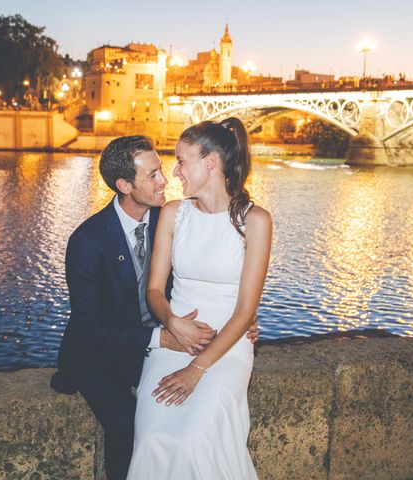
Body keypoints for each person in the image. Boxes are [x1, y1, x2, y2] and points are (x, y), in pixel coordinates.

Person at [51, 136, 259, 480]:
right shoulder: (88, 241)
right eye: (152, 176)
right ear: (125, 185)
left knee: (193, 418)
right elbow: (90, 326)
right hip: (99, 353)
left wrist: (247, 317)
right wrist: (160, 339)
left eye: (162, 169)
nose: (165, 180)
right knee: (127, 425)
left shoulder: (173, 218)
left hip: (161, 345)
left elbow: (208, 274)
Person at [127, 118, 272, 479]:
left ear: (211, 163)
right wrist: (173, 323)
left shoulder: (255, 221)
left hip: (228, 347)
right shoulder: (175, 213)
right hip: (173, 344)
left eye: (181, 160)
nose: (174, 171)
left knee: (194, 440)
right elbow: (155, 291)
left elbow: (245, 311)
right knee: (152, 438)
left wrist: (197, 368)